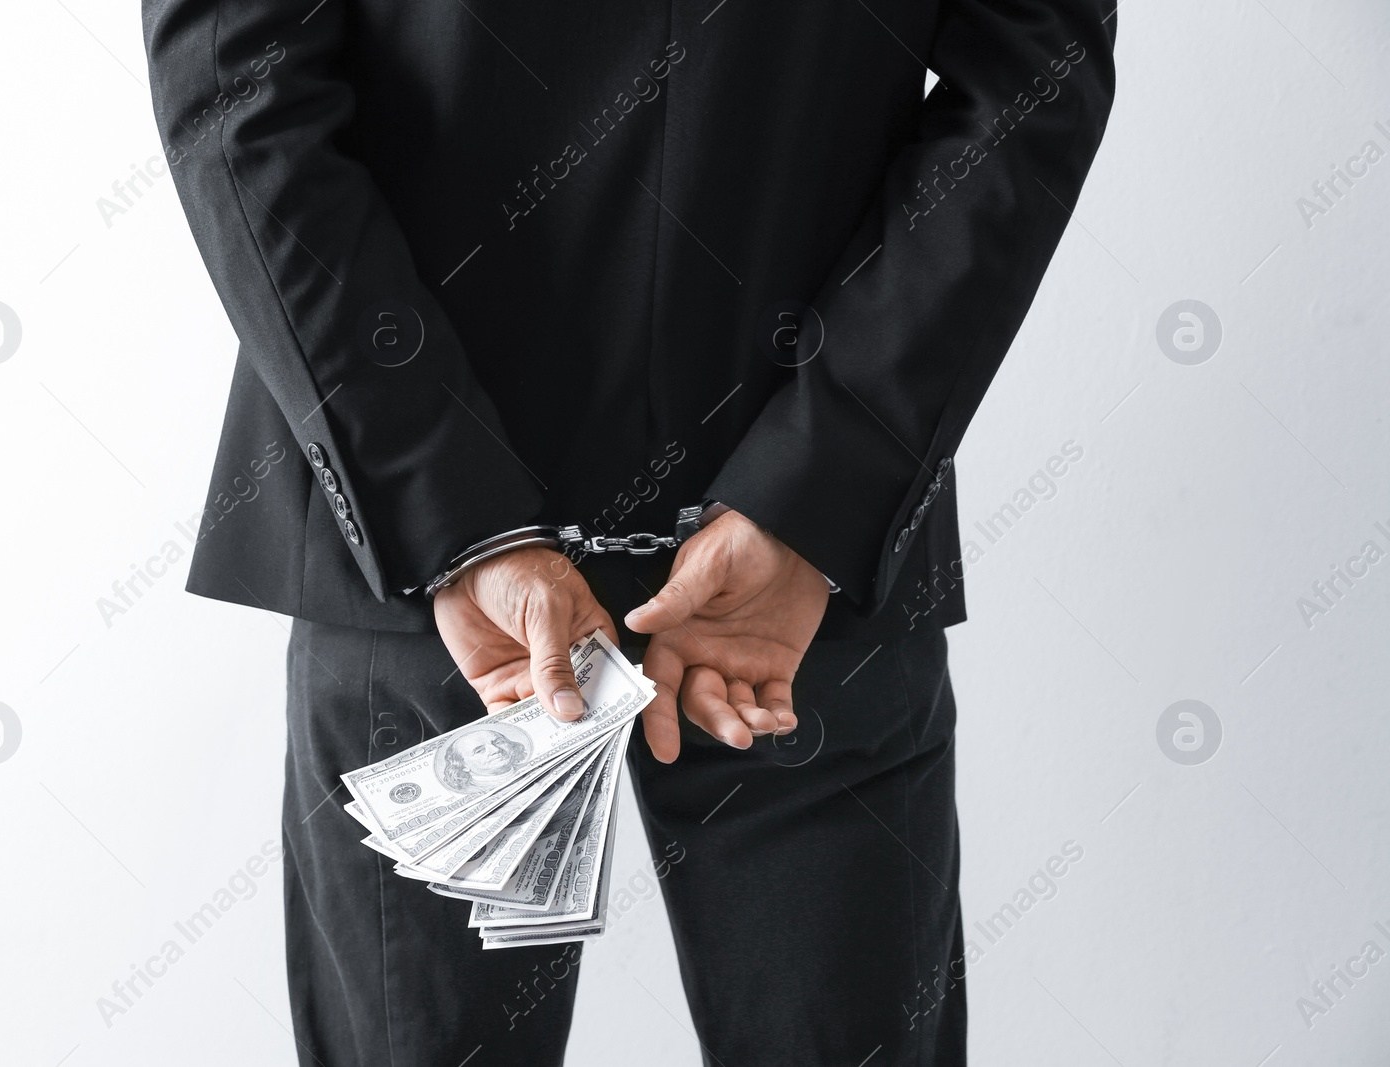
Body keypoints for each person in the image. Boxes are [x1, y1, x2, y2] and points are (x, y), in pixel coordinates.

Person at [142, 0, 1116, 1062]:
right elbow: (1037, 75)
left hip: (461, 568)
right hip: (757, 569)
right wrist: (823, 478)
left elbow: (233, 83)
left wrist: (443, 500)